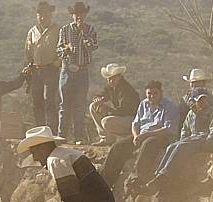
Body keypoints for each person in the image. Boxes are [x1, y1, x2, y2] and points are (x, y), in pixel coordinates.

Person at [101, 80, 179, 188]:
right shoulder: (144, 104)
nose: (152, 96)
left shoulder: (169, 107)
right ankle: (106, 180)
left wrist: (146, 135)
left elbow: (169, 129)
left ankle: (138, 177)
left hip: (160, 136)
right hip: (142, 134)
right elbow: (135, 123)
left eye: (155, 93)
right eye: (149, 93)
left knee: (148, 144)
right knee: (118, 147)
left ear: (161, 92)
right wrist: (136, 135)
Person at [146, 93, 213, 193]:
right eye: (199, 100)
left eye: (204, 100)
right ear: (195, 101)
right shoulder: (191, 113)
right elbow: (185, 128)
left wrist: (209, 142)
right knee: (171, 146)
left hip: (202, 139)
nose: (202, 102)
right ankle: (158, 174)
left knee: (181, 147)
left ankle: (165, 175)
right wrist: (183, 138)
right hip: (191, 138)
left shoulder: (211, 112)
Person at [57, 2, 98, 144]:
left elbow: (93, 47)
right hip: (67, 70)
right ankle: (62, 135)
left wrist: (84, 34)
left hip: (82, 70)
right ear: (72, 15)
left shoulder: (90, 30)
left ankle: (78, 137)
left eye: (81, 14)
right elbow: (59, 50)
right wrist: (65, 50)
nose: (79, 17)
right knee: (65, 104)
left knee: (80, 105)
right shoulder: (64, 30)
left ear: (85, 15)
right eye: (76, 14)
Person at [25, 1, 61, 134]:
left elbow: (63, 49)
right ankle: (40, 131)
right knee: (37, 101)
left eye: (45, 13)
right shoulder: (32, 31)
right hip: (35, 70)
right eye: (40, 13)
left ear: (50, 14)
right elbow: (28, 51)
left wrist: (57, 63)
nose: (42, 16)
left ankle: (52, 131)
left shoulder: (57, 29)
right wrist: (28, 66)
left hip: (50, 69)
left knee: (49, 100)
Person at [89, 63, 139, 146]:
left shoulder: (126, 90)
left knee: (106, 122)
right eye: (108, 78)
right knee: (93, 106)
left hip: (131, 119)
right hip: (121, 116)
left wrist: (107, 110)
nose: (110, 80)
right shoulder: (111, 87)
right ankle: (106, 138)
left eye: (112, 78)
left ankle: (129, 135)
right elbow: (100, 94)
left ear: (119, 77)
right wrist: (98, 100)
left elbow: (123, 112)